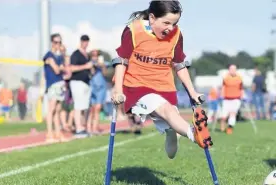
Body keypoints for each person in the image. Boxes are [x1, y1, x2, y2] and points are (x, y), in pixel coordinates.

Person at [111, 0, 211, 159]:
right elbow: (122, 60)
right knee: (167, 110)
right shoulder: (134, 30)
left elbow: (179, 65)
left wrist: (192, 92)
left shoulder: (176, 34)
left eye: (174, 23)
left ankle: (173, 131)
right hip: (137, 87)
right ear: (152, 18)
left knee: (172, 140)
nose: (170, 28)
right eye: (166, 23)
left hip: (165, 87)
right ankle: (194, 134)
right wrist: (117, 90)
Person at [43, 33, 67, 142]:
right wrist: (60, 68)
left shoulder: (59, 56)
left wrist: (63, 55)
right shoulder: (49, 55)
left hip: (60, 84)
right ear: (52, 42)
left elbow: (64, 67)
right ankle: (49, 134)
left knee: (57, 110)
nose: (58, 44)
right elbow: (57, 69)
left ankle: (58, 133)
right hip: (53, 84)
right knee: (51, 109)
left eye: (59, 42)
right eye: (56, 42)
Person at [69, 35, 93, 138]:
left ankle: (82, 127)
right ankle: (78, 129)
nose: (85, 43)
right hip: (77, 82)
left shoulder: (87, 55)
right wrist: (86, 66)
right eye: (84, 41)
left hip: (86, 82)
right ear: (81, 42)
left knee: (84, 107)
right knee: (78, 106)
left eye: (87, 41)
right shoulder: (76, 54)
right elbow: (71, 68)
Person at [87, 50, 107, 135]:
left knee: (98, 108)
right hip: (92, 87)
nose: (95, 57)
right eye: (93, 56)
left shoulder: (103, 63)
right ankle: (89, 128)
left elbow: (105, 74)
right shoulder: (89, 63)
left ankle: (95, 128)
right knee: (92, 109)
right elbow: (90, 74)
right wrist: (93, 67)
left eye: (96, 55)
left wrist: (102, 66)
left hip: (101, 87)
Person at [220, 64, 244, 134]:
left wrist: (242, 96)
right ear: (229, 70)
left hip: (236, 99)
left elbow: (241, 88)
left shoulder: (239, 78)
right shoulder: (225, 78)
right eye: (231, 69)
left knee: (232, 113)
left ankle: (230, 128)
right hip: (226, 99)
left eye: (234, 69)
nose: (233, 70)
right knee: (224, 116)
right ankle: (222, 128)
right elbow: (223, 87)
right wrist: (221, 95)